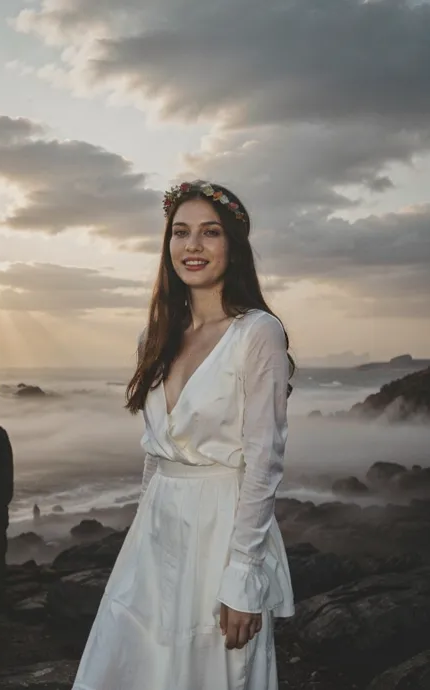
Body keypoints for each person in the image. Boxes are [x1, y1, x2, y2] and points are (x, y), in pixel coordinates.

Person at [72, 179, 295, 690]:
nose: (192, 246)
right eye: (180, 232)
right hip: (156, 526)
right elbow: (154, 451)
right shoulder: (154, 336)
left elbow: (264, 461)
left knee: (212, 669)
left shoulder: (257, 332)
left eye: (209, 232)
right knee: (130, 662)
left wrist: (243, 577)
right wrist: (140, 534)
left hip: (220, 527)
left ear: (232, 247)